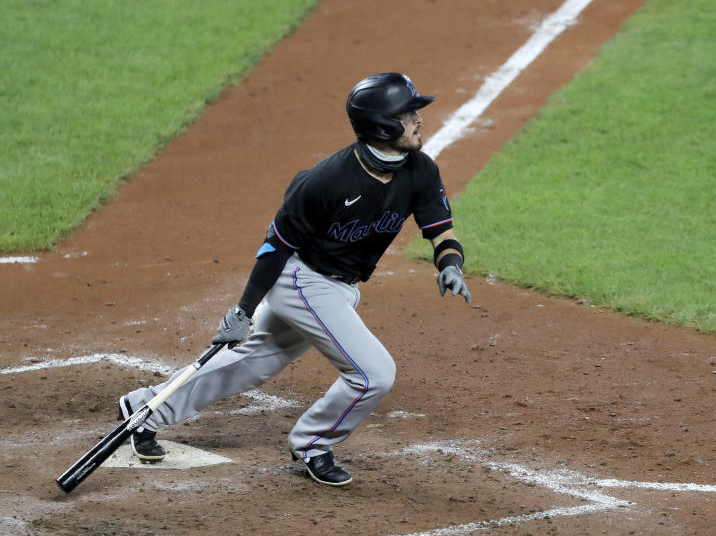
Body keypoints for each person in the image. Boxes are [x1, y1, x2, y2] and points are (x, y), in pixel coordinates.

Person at [117, 73, 471, 486]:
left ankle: (144, 407)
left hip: (341, 287)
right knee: (374, 374)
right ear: (381, 126)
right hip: (301, 281)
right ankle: (313, 443)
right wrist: (243, 310)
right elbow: (275, 248)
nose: (418, 120)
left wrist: (450, 265)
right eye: (408, 113)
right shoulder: (325, 181)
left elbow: (440, 231)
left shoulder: (420, 170)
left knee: (254, 363)